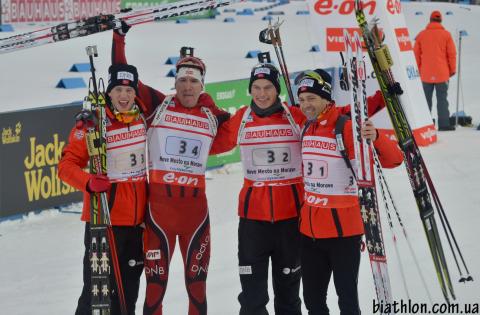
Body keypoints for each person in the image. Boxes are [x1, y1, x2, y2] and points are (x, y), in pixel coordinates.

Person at [111, 26, 230, 315]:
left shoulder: (211, 117)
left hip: (195, 218)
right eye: (182, 81)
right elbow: (122, 77)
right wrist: (119, 38)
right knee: (154, 292)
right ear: (174, 82)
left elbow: (230, 136)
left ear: (202, 85)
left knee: (197, 290)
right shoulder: (157, 105)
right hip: (158, 218)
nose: (187, 86)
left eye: (194, 81)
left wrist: (208, 104)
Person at [296, 69, 403, 315]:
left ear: (326, 98)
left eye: (311, 98)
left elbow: (394, 160)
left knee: (347, 301)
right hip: (309, 234)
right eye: (301, 100)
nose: (306, 105)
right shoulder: (305, 126)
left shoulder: (345, 127)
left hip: (343, 234)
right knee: (313, 302)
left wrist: (376, 136)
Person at [212, 62, 305, 315]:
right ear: (250, 89)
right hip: (253, 222)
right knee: (252, 298)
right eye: (256, 87)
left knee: (289, 296)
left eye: (267, 87)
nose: (261, 94)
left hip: (291, 220)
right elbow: (214, 145)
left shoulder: (294, 116)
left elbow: (327, 127)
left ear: (277, 90)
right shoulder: (242, 117)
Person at [59, 63, 147, 315]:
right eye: (118, 89)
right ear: (109, 92)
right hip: (103, 220)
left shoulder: (143, 119)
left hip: (137, 224)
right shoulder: (93, 124)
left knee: (127, 294)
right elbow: (66, 166)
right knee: (95, 293)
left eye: (129, 91)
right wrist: (88, 182)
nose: (123, 96)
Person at [414, 10, 457, 131]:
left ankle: (426, 124)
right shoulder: (446, 35)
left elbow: (415, 54)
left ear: (430, 20)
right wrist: (452, 70)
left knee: (426, 99)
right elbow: (452, 54)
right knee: (442, 99)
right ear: (440, 20)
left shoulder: (421, 35)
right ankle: (444, 124)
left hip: (425, 74)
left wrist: (418, 70)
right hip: (442, 74)